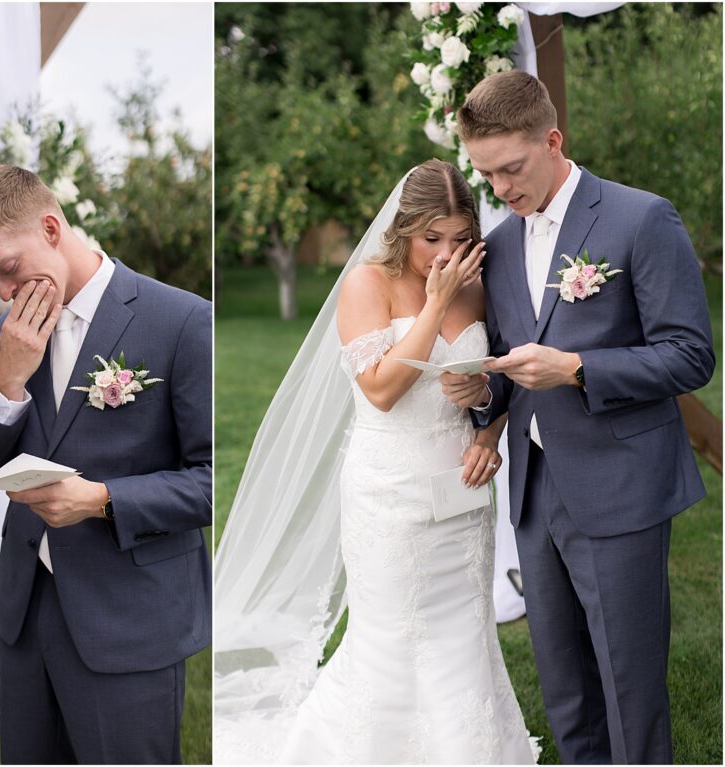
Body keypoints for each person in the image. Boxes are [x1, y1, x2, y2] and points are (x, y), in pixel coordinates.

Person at [214, 159, 536, 764]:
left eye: (460, 238)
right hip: (388, 489)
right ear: (403, 229)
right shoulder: (368, 283)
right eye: (431, 239)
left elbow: (500, 378)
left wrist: (487, 421)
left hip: (463, 488)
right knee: (391, 635)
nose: (446, 253)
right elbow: (381, 390)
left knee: (463, 631)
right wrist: (437, 305)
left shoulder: (481, 279)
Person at [443, 70, 714, 764]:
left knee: (629, 683)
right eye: (486, 173)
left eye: (511, 168)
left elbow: (688, 356)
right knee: (565, 687)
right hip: (536, 492)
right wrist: (482, 397)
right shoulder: (500, 244)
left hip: (621, 485)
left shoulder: (640, 218)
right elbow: (509, 356)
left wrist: (580, 368)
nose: (501, 189)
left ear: (553, 140)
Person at [0, 165, 212, 764]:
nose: (4, 293)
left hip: (128, 614)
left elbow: (211, 481)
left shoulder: (182, 322)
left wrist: (102, 499)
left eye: (7, 269)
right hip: (27, 611)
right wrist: (8, 379)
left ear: (49, 226)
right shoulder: (7, 332)